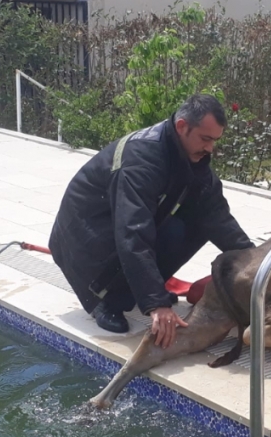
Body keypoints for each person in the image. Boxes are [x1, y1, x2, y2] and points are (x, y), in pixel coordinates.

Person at [49, 94, 254, 348]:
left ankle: (137, 289)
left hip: (116, 226)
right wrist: (156, 303)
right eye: (205, 139)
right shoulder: (141, 160)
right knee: (141, 237)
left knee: (198, 221)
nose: (210, 148)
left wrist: (258, 264)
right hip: (84, 236)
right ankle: (106, 301)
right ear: (182, 127)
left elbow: (218, 217)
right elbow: (132, 232)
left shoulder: (191, 157)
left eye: (215, 141)